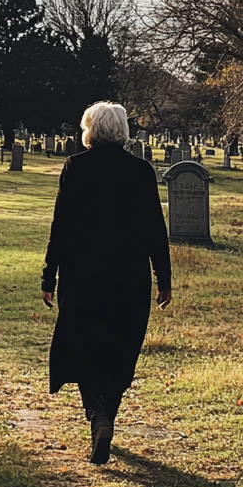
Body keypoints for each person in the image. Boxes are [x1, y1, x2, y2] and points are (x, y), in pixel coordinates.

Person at [41, 102, 172, 465]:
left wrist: (48, 274)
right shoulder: (141, 171)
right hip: (128, 277)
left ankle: (97, 413)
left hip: (82, 275)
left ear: (90, 131)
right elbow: (154, 229)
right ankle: (106, 415)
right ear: (122, 131)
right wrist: (164, 278)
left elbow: (61, 225)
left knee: (85, 346)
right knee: (119, 348)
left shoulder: (75, 168)